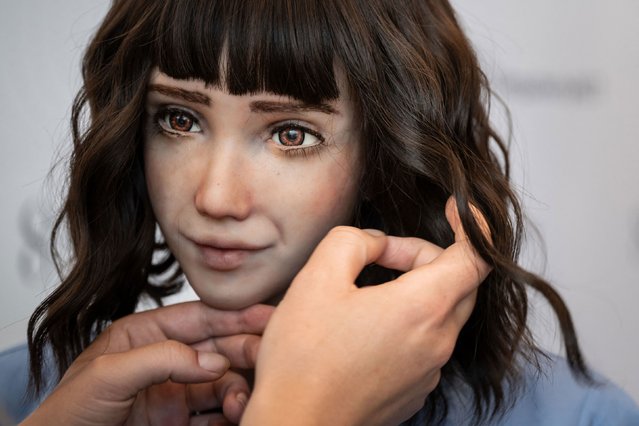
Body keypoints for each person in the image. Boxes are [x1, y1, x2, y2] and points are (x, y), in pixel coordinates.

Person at [19, 0, 639, 424]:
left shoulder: (575, 416)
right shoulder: (41, 395)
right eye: (179, 119)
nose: (215, 197)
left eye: (291, 134)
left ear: (385, 155)